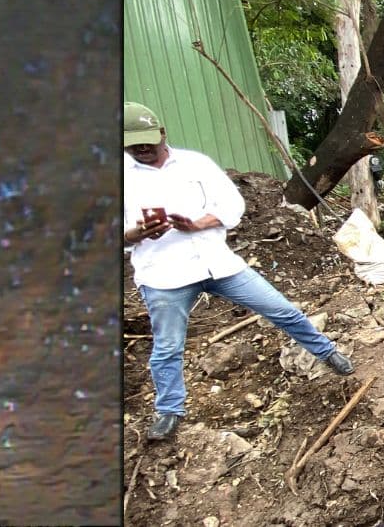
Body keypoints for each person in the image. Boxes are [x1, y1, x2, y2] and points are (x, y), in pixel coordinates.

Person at [122, 102, 355, 442]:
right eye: (133, 143)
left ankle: (327, 352)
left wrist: (196, 223)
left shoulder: (195, 164)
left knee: (281, 309)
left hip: (217, 262)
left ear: (161, 133)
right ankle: (169, 410)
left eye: (147, 140)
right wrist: (138, 232)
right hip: (163, 274)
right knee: (168, 346)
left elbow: (233, 206)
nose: (142, 148)